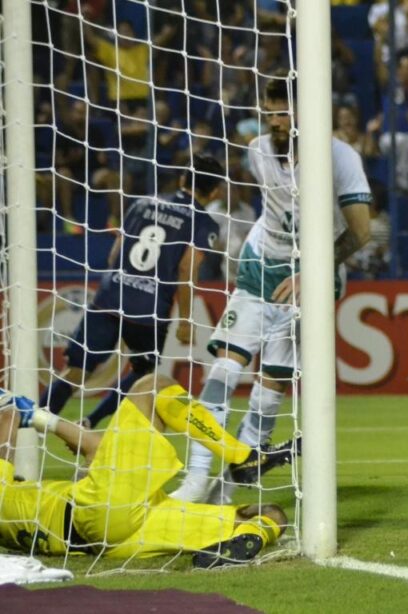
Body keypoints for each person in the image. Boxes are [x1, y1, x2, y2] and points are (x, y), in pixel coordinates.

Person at [172, 75, 372, 503]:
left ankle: (226, 488)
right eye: (269, 112)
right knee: (224, 372)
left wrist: (313, 270)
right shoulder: (257, 151)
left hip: (311, 282)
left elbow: (361, 232)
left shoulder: (340, 158)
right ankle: (195, 478)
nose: (274, 122)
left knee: (267, 394)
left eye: (283, 112)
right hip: (260, 265)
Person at [0, 375, 293, 567]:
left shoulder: (16, 506)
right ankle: (243, 457)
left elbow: (93, 446)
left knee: (269, 514)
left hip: (124, 535)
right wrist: (17, 410)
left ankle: (254, 536)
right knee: (152, 387)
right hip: (97, 512)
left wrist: (40, 418)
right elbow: (6, 425)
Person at [40, 155, 224, 429]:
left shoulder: (142, 202)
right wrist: (185, 320)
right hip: (148, 309)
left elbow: (115, 253)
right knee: (142, 374)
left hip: (110, 296)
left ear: (183, 179)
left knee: (76, 371)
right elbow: (187, 270)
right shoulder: (204, 223)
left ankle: (32, 429)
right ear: (216, 191)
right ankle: (91, 421)